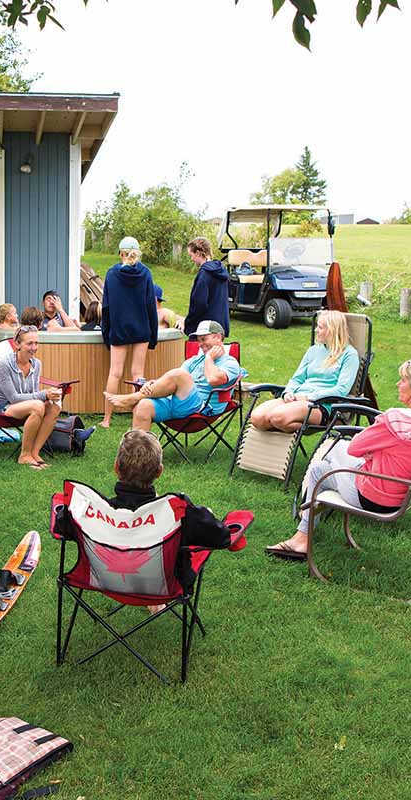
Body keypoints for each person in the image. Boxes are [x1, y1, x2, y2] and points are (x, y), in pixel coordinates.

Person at [265, 357, 411, 560]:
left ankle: (303, 528)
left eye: (403, 380)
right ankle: (304, 527)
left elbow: (355, 448)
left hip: (373, 496)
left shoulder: (395, 420)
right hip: (402, 493)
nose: (398, 384)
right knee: (324, 466)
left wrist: (369, 451)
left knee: (330, 455)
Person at [105, 430, 237, 609]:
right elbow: (221, 537)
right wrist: (206, 514)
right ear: (159, 471)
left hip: (107, 581)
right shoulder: (179, 512)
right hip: (166, 585)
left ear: (116, 467)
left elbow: (66, 529)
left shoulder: (97, 512)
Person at [104, 320, 246, 432]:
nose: (200, 344)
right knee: (143, 406)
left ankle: (134, 398)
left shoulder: (230, 363)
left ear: (218, 337)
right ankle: (138, 455)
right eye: (199, 340)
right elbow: (173, 381)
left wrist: (209, 358)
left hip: (202, 408)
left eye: (204, 339)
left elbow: (213, 380)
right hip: (179, 402)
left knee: (180, 374)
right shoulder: (195, 360)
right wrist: (152, 384)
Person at [248, 310, 359, 433]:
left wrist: (308, 397)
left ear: (332, 330)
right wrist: (288, 393)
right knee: (257, 418)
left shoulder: (349, 355)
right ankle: (286, 425)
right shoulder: (313, 351)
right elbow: (297, 379)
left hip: (319, 404)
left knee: (277, 417)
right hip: (297, 397)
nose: (316, 330)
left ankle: (293, 426)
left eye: (320, 327)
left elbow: (341, 390)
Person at [0, 325, 64, 470]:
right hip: (1, 408)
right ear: (17, 344)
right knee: (38, 406)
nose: (34, 347)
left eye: (36, 343)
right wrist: (44, 394)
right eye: (29, 343)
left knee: (54, 406)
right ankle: (24, 455)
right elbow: (13, 398)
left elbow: (33, 393)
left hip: (23, 406)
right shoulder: (4, 365)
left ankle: (34, 453)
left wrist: (51, 395)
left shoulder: (36, 364)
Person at [100, 236, 158, 428]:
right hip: (142, 327)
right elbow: (151, 306)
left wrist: (106, 334)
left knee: (114, 373)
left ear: (120, 253)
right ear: (138, 253)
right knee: (138, 374)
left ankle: (107, 420)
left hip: (119, 328)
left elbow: (106, 307)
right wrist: (153, 335)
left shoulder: (111, 274)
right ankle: (137, 418)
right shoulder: (146, 273)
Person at [183, 237, 230, 337]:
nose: (191, 259)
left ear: (198, 253)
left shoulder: (204, 274)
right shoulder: (221, 270)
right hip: (220, 326)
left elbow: (199, 304)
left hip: (205, 329)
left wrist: (188, 323)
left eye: (191, 255)